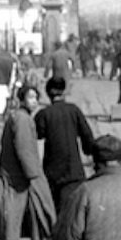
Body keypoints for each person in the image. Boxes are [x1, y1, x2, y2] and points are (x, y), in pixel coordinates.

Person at [0, 83, 56, 240]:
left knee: (19, 211)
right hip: (21, 174)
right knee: (30, 210)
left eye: (35, 98)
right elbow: (23, 148)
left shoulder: (17, 117)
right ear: (22, 99)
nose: (34, 102)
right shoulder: (22, 119)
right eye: (30, 98)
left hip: (12, 172)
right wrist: (33, 174)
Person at [35, 76, 95, 211]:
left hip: (53, 170)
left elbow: (37, 134)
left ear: (48, 93)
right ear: (63, 92)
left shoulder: (44, 114)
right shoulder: (74, 110)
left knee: (55, 209)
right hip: (74, 169)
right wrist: (89, 150)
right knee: (73, 209)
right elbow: (87, 136)